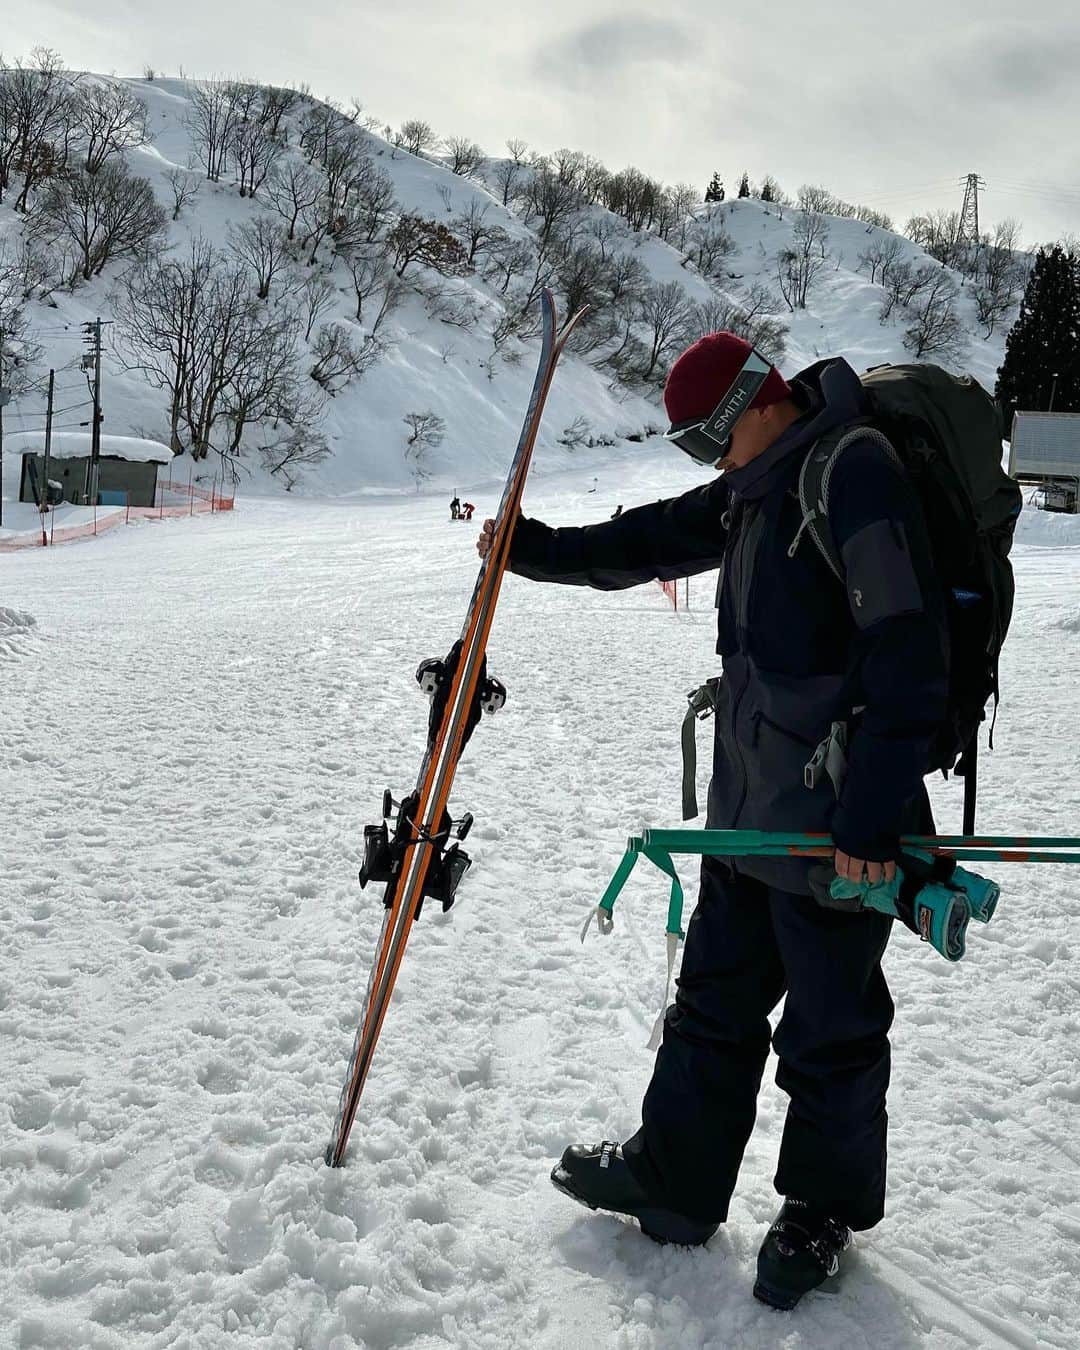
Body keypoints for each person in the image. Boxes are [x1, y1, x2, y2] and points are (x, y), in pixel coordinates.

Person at [476, 332, 947, 1310]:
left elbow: (910, 657)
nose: (703, 463)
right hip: (746, 821)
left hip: (832, 834)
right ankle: (677, 1181)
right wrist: (534, 551)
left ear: (749, 411)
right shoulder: (754, 489)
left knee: (831, 1031)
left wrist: (869, 828)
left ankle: (821, 1211)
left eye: (703, 441)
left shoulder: (849, 472)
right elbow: (647, 540)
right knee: (712, 1010)